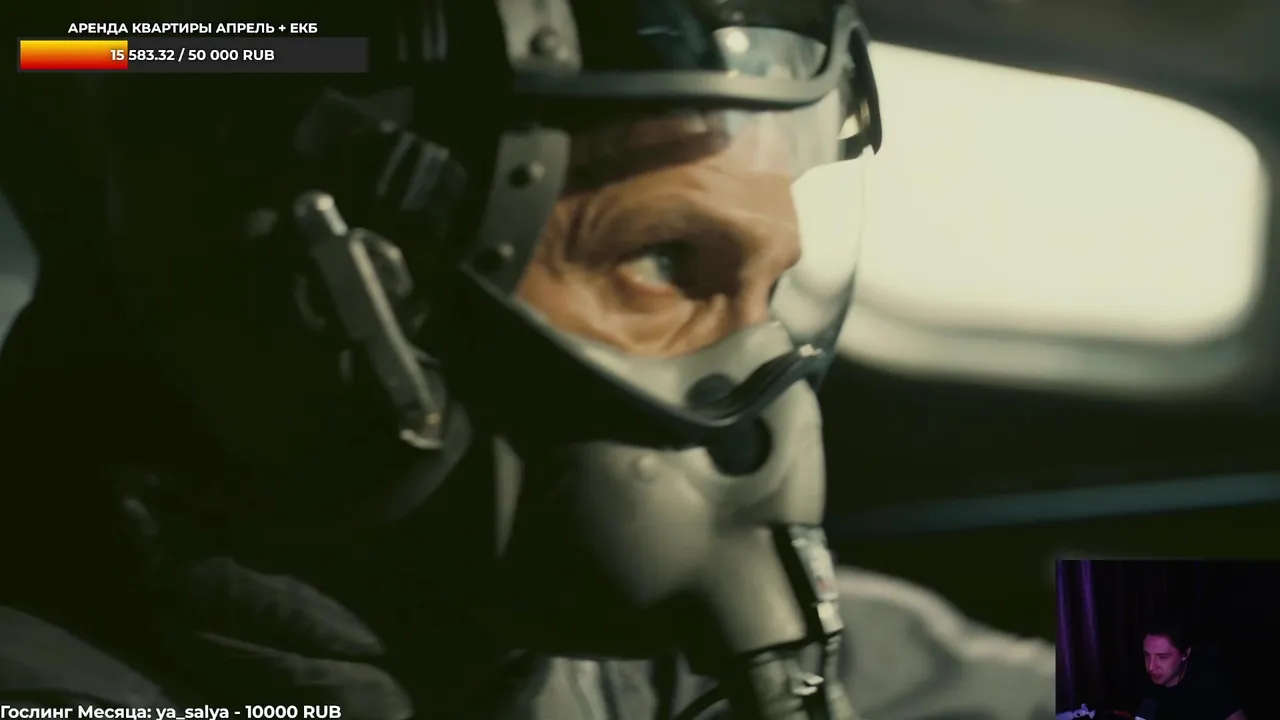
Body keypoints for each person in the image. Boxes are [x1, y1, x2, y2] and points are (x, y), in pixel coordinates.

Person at [0, 0, 1054, 717]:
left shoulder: (578, 654)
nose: (764, 416)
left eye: (769, 289)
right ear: (326, 300)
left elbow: (1106, 678)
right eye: (662, 260)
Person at [1139, 620, 1245, 720]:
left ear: (1185, 654)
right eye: (1147, 655)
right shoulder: (1143, 684)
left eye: (1162, 657)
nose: (1150, 667)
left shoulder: (1210, 684)